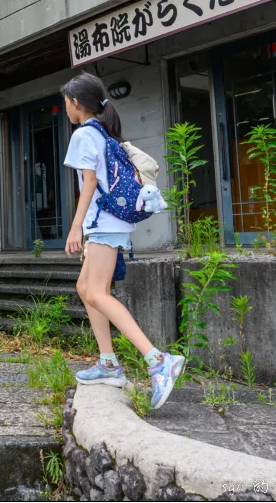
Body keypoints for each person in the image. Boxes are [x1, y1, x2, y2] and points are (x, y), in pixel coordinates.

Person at [60, 72, 184, 410]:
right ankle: (109, 364)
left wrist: (76, 228)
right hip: (111, 221)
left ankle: (159, 361)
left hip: (102, 223)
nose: (65, 109)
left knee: (97, 292)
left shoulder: (84, 134)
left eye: (66, 103)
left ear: (75, 103)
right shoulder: (103, 132)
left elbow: (88, 183)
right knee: (86, 289)